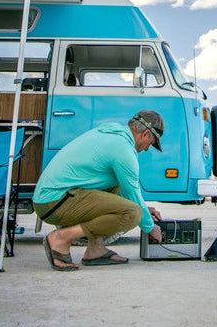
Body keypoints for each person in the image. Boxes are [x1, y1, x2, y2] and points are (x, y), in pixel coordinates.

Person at [33, 110, 165, 271]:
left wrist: (145, 208)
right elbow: (132, 195)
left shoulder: (112, 134)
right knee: (132, 214)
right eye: (150, 144)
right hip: (54, 202)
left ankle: (95, 249)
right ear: (145, 134)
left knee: (118, 185)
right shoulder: (123, 149)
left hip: (52, 198)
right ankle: (61, 239)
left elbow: (126, 194)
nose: (146, 149)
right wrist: (150, 227)